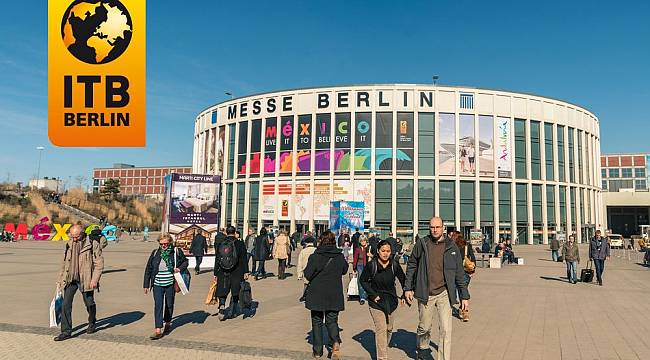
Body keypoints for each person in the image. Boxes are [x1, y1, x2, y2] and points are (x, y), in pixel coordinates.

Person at [404, 217, 470, 360]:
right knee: (425, 327)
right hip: (425, 293)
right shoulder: (422, 244)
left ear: (443, 228)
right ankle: (422, 347)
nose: (435, 230)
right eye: (432, 227)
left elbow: (459, 272)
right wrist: (407, 288)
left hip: (444, 293)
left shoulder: (452, 246)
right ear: (429, 228)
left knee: (446, 330)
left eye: (438, 227)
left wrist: (464, 296)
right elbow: (411, 265)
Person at [54, 225, 104, 341]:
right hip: (71, 279)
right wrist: (60, 280)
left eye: (77, 236)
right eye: (72, 236)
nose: (74, 239)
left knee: (89, 303)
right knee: (65, 305)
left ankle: (92, 322)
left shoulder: (92, 243)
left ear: (82, 234)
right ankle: (66, 331)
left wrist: (94, 280)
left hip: (86, 279)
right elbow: (64, 263)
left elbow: (99, 263)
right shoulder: (69, 244)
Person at [304, 230, 348, 359]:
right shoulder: (339, 256)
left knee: (317, 321)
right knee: (332, 320)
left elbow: (307, 274)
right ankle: (335, 341)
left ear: (320, 241)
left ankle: (317, 351)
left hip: (317, 293)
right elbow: (344, 270)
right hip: (334, 293)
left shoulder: (315, 256)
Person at [360, 240, 406, 360]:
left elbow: (403, 280)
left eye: (388, 251)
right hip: (376, 302)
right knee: (381, 328)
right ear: (378, 251)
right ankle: (382, 357)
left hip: (391, 301)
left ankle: (383, 346)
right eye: (383, 251)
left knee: (389, 328)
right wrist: (373, 294)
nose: (385, 254)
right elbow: (363, 280)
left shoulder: (394, 265)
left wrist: (405, 295)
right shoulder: (372, 265)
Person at [143, 233, 188, 339]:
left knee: (169, 304)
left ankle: (167, 322)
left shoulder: (176, 252)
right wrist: (146, 285)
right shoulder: (155, 253)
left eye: (166, 244)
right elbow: (148, 269)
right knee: (158, 305)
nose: (163, 246)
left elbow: (186, 262)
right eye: (161, 244)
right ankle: (158, 329)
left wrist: (179, 268)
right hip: (157, 284)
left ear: (170, 243)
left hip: (170, 284)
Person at [213, 226, 249, 320]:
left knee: (223, 289)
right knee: (235, 290)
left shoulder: (221, 243)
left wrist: (215, 273)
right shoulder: (239, 243)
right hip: (237, 270)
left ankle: (221, 305)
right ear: (235, 232)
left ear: (226, 232)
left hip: (222, 270)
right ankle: (232, 311)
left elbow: (217, 258)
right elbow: (244, 258)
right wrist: (246, 271)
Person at [453, 233, 475, 322]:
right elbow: (472, 257)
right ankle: (464, 311)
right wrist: (472, 270)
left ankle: (463, 310)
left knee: (459, 291)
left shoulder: (453, 246)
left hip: (456, 272)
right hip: (466, 272)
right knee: (463, 291)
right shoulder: (467, 245)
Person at [298, 235, 317, 302]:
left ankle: (305, 296)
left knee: (306, 284)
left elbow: (300, 264)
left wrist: (299, 275)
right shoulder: (316, 250)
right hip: (315, 270)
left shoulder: (303, 251)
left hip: (305, 270)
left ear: (306, 243)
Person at [352, 235, 370, 304]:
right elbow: (355, 259)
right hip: (359, 266)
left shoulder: (369, 248)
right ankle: (362, 297)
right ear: (360, 242)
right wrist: (354, 268)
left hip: (367, 266)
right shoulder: (357, 249)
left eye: (364, 240)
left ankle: (366, 295)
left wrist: (371, 254)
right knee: (360, 281)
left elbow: (375, 254)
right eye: (362, 241)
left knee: (367, 281)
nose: (363, 242)